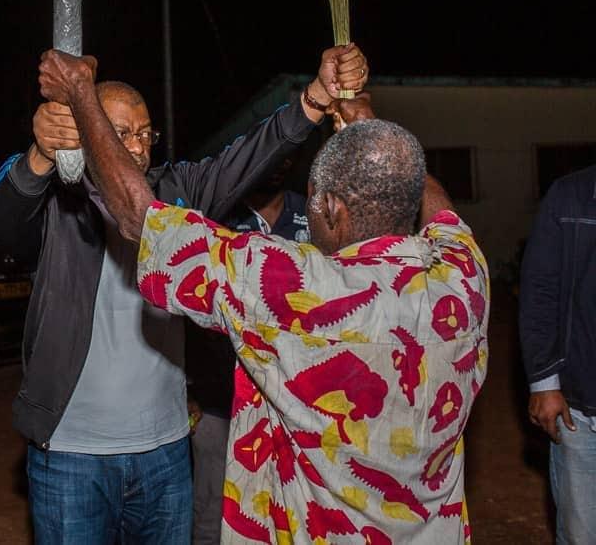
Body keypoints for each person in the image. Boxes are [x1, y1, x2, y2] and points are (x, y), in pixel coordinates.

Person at [39, 50, 489, 543]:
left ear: (331, 210)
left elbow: (136, 217)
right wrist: (366, 123)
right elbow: (437, 202)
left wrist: (82, 93)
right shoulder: (462, 278)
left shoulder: (286, 286)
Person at [0, 44, 368, 542]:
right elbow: (3, 217)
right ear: (88, 129)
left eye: (146, 134)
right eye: (121, 132)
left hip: (165, 450)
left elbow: (249, 154)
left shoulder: (177, 192)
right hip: (72, 452)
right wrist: (39, 154)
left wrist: (316, 98)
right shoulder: (60, 198)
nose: (139, 147)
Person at [186, 157, 309, 545]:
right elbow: (187, 306)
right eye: (269, 154)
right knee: (212, 509)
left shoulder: (313, 213)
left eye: (285, 155)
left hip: (297, 400)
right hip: (220, 397)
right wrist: (187, 386)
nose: (275, 164)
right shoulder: (218, 213)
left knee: (291, 509)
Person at [519, 163, 596, 544]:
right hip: (581, 411)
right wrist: (545, 383)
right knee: (582, 534)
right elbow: (539, 290)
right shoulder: (570, 197)